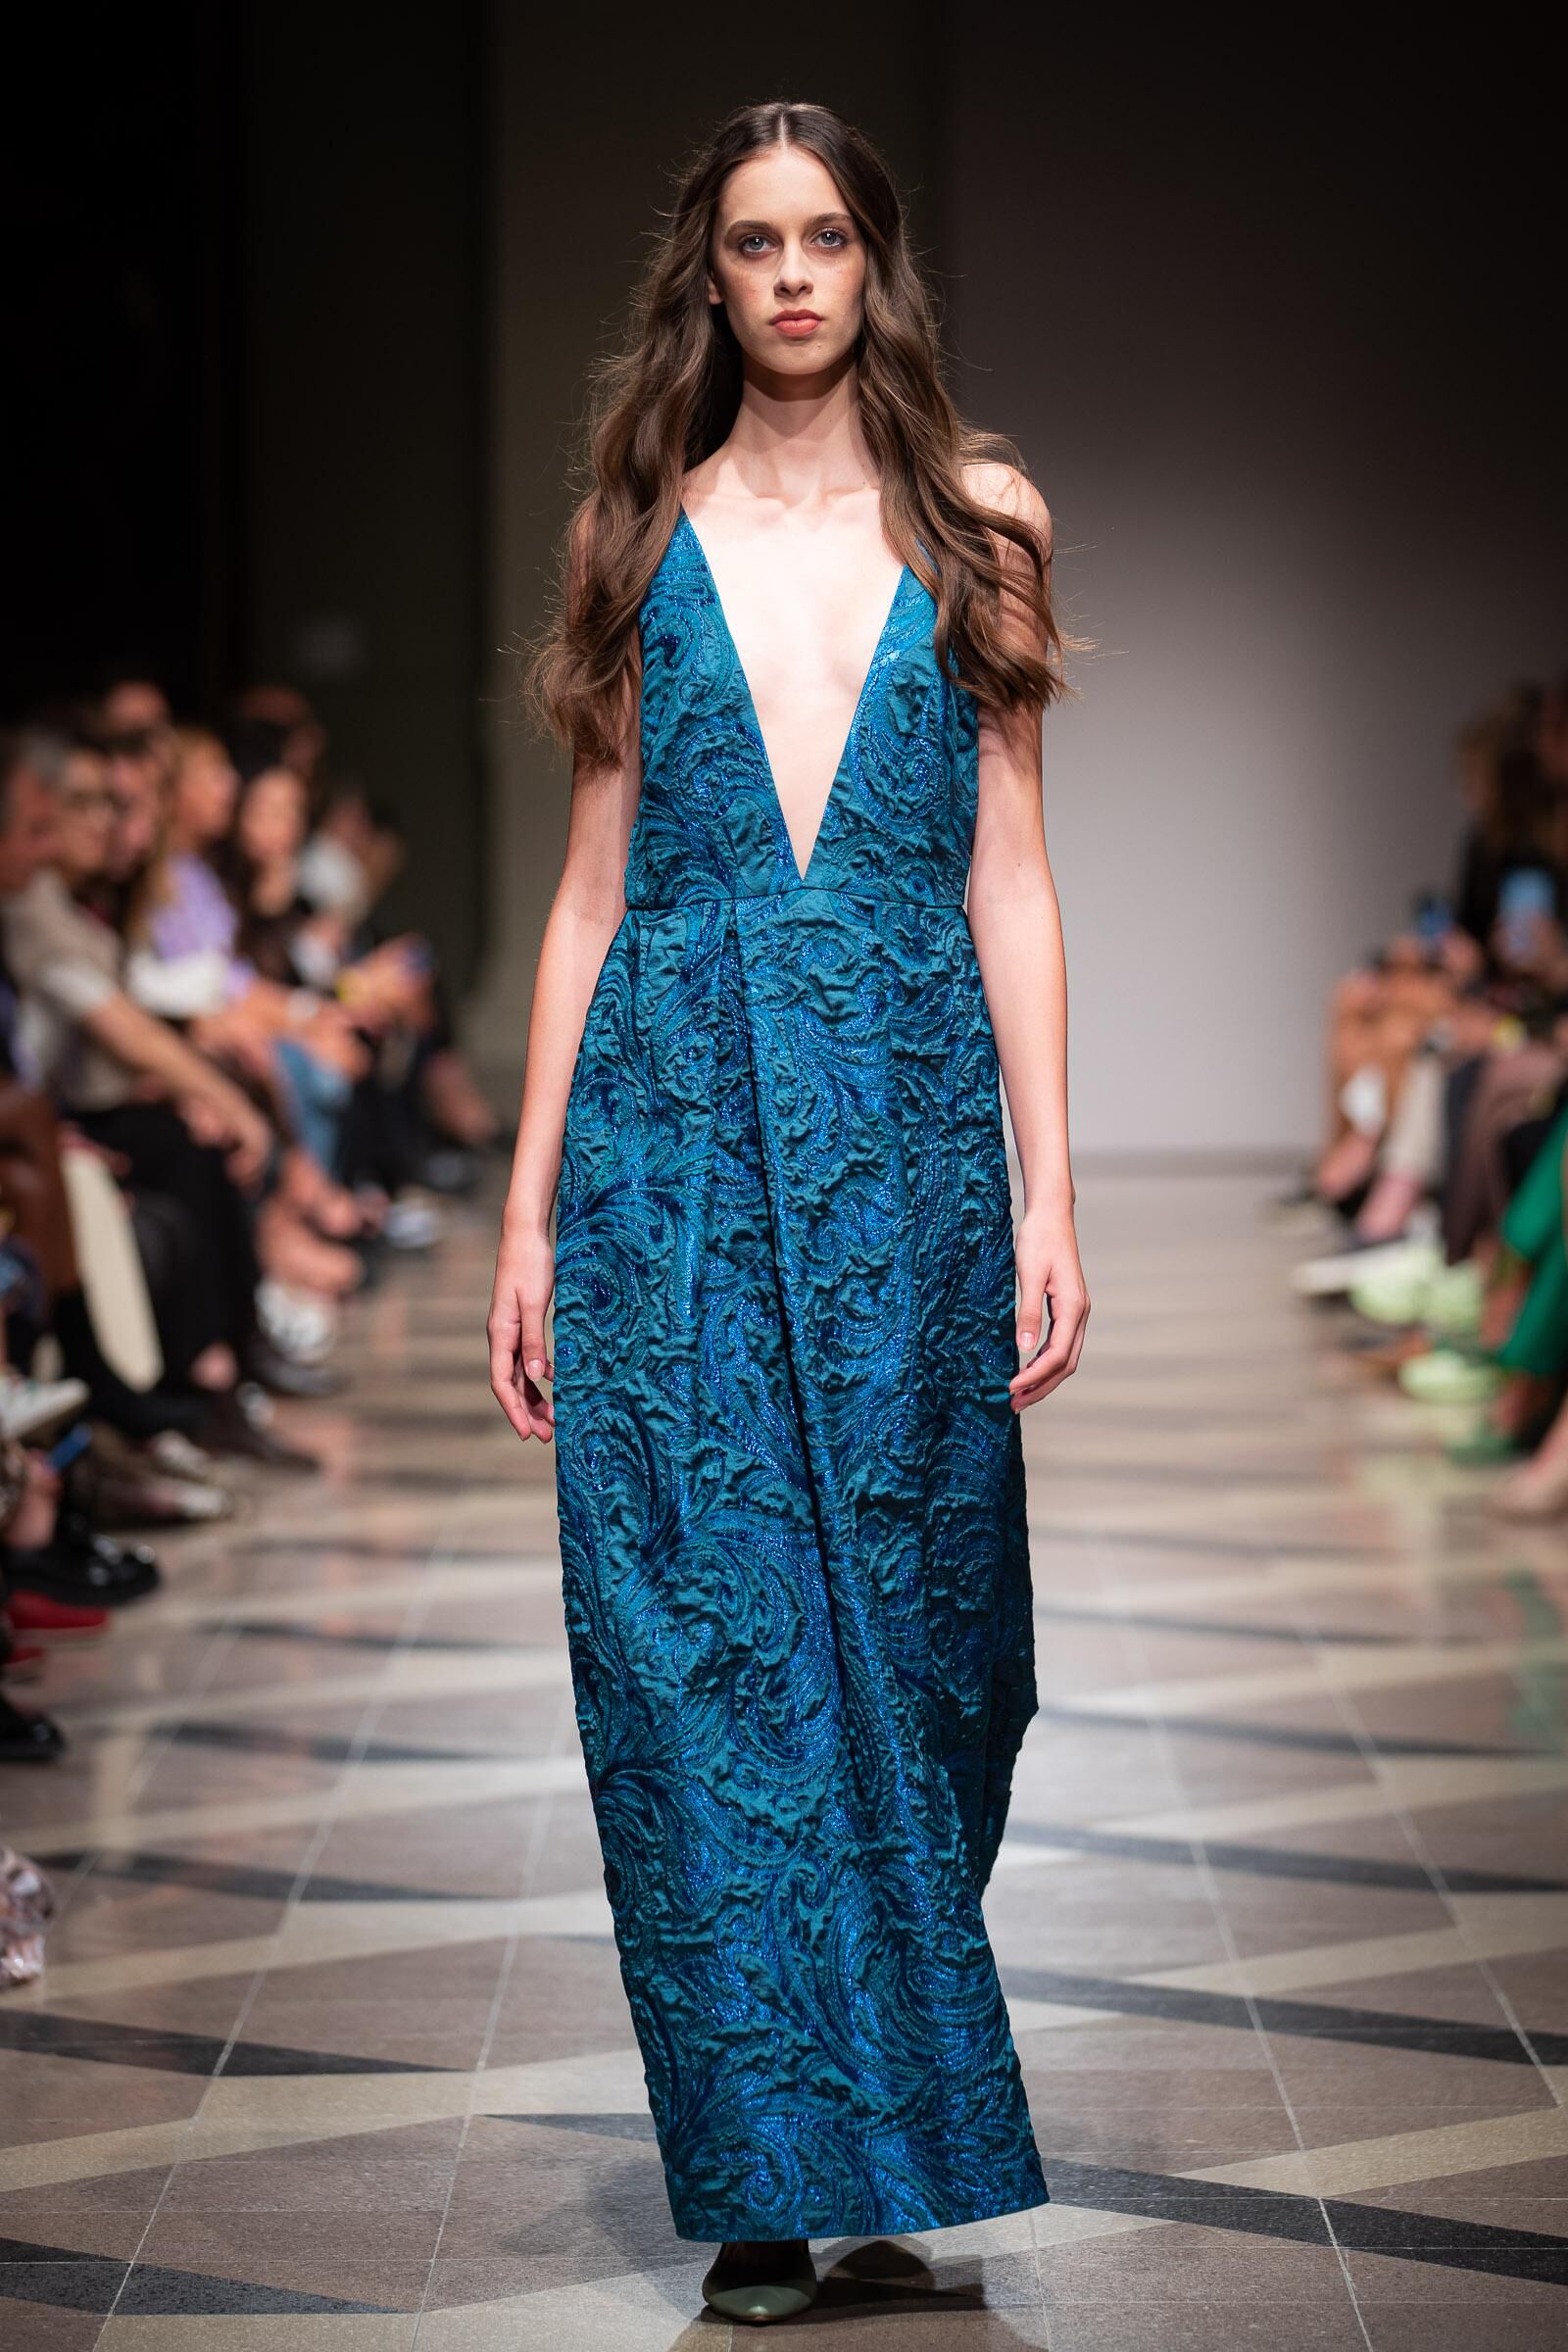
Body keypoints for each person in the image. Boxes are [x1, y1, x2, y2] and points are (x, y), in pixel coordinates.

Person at [487, 101, 1087, 2325]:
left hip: (910, 1136)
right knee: (706, 1655)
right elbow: (587, 896)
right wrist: (529, 1220)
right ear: (709, 276)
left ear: (875, 262)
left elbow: (1012, 871)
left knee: (941, 1650)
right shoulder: (633, 533)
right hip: (670, 1139)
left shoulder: (983, 520)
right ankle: (764, 2167)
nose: (795, 274)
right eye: (756, 241)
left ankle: (875, 2101)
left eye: (827, 235)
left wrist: (1050, 1185)